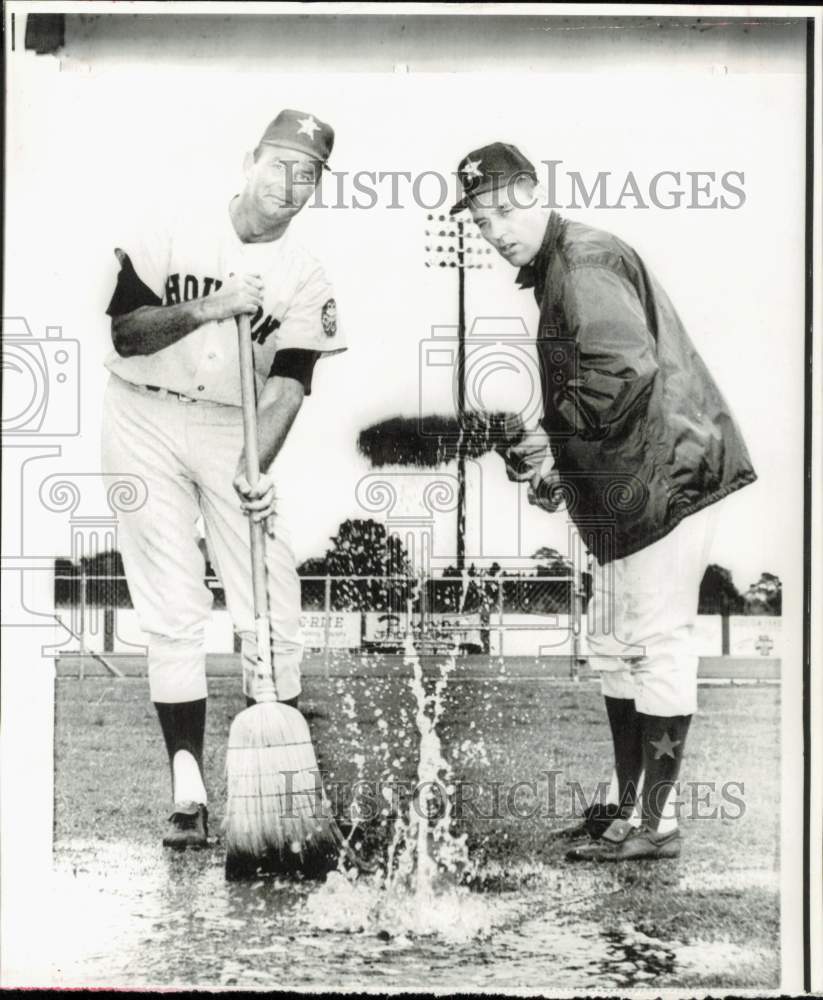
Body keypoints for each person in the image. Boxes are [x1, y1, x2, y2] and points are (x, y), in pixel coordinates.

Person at [450, 142, 756, 861]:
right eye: (479, 219)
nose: (493, 229)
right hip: (632, 482)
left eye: (501, 208)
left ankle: (658, 820)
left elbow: (622, 370)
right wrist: (563, 466)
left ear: (532, 191)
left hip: (668, 478)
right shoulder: (558, 267)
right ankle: (628, 806)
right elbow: (601, 390)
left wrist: (551, 445)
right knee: (616, 648)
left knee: (654, 642)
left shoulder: (581, 262)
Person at [102, 109, 346, 849]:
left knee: (271, 592)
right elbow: (125, 331)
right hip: (139, 414)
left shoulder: (306, 276)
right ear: (249, 161)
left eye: (307, 174)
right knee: (171, 605)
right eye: (279, 165)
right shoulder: (171, 222)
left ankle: (283, 783)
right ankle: (187, 791)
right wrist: (213, 306)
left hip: (230, 425)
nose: (290, 184)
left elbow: (291, 386)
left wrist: (254, 467)